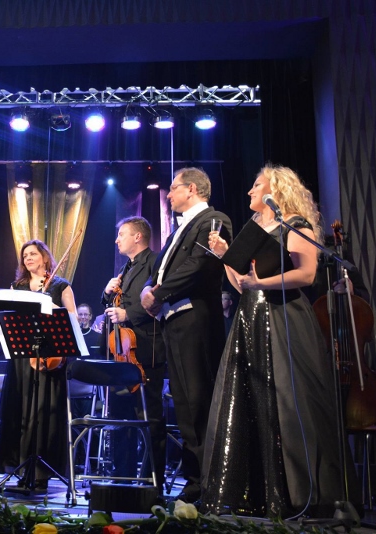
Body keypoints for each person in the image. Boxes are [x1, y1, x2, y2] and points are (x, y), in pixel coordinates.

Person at [203, 165, 351, 518]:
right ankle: (255, 493)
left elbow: (307, 274)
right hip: (250, 316)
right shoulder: (254, 229)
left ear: (277, 189)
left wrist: (261, 284)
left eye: (257, 184)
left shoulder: (295, 225)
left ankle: (295, 495)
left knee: (284, 398)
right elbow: (242, 285)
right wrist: (226, 257)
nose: (250, 191)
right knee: (250, 397)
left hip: (283, 318)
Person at [140, 167, 232, 502]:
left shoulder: (214, 219)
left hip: (195, 319)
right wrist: (148, 288)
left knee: (197, 401)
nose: (168, 194)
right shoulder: (179, 228)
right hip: (175, 320)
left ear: (191, 189)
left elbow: (199, 265)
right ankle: (195, 480)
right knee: (184, 403)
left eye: (173, 188)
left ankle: (205, 483)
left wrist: (158, 293)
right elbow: (160, 268)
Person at [0, 239, 76, 491]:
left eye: (33, 254)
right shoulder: (17, 287)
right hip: (22, 357)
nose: (28, 258)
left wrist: (52, 307)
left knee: (42, 413)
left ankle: (41, 472)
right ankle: (20, 468)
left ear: (44, 257)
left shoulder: (61, 285)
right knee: (20, 410)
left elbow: (73, 320)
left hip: (48, 358)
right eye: (25, 255)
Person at [102, 216, 166, 490]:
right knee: (120, 417)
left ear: (137, 237)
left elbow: (160, 298)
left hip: (146, 350)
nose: (116, 240)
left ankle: (152, 481)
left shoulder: (155, 261)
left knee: (149, 417)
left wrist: (128, 313)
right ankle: (121, 477)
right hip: (121, 352)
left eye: (122, 234)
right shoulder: (125, 268)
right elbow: (113, 306)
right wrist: (106, 293)